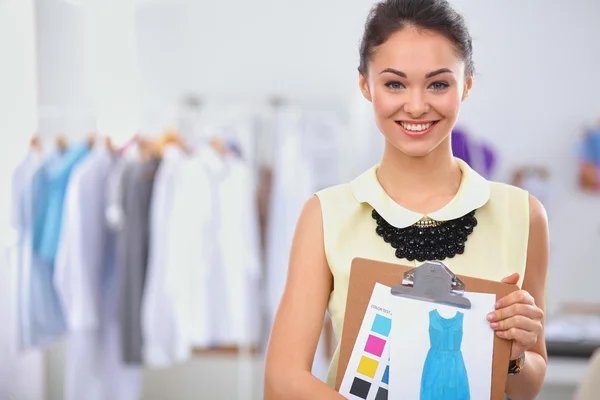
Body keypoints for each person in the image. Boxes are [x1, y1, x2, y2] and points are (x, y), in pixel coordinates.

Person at [263, 0, 548, 399]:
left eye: (438, 84)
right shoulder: (325, 215)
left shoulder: (524, 214)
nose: (416, 105)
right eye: (394, 83)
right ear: (365, 85)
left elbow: (527, 387)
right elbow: (281, 382)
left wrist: (515, 354)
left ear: (466, 86)